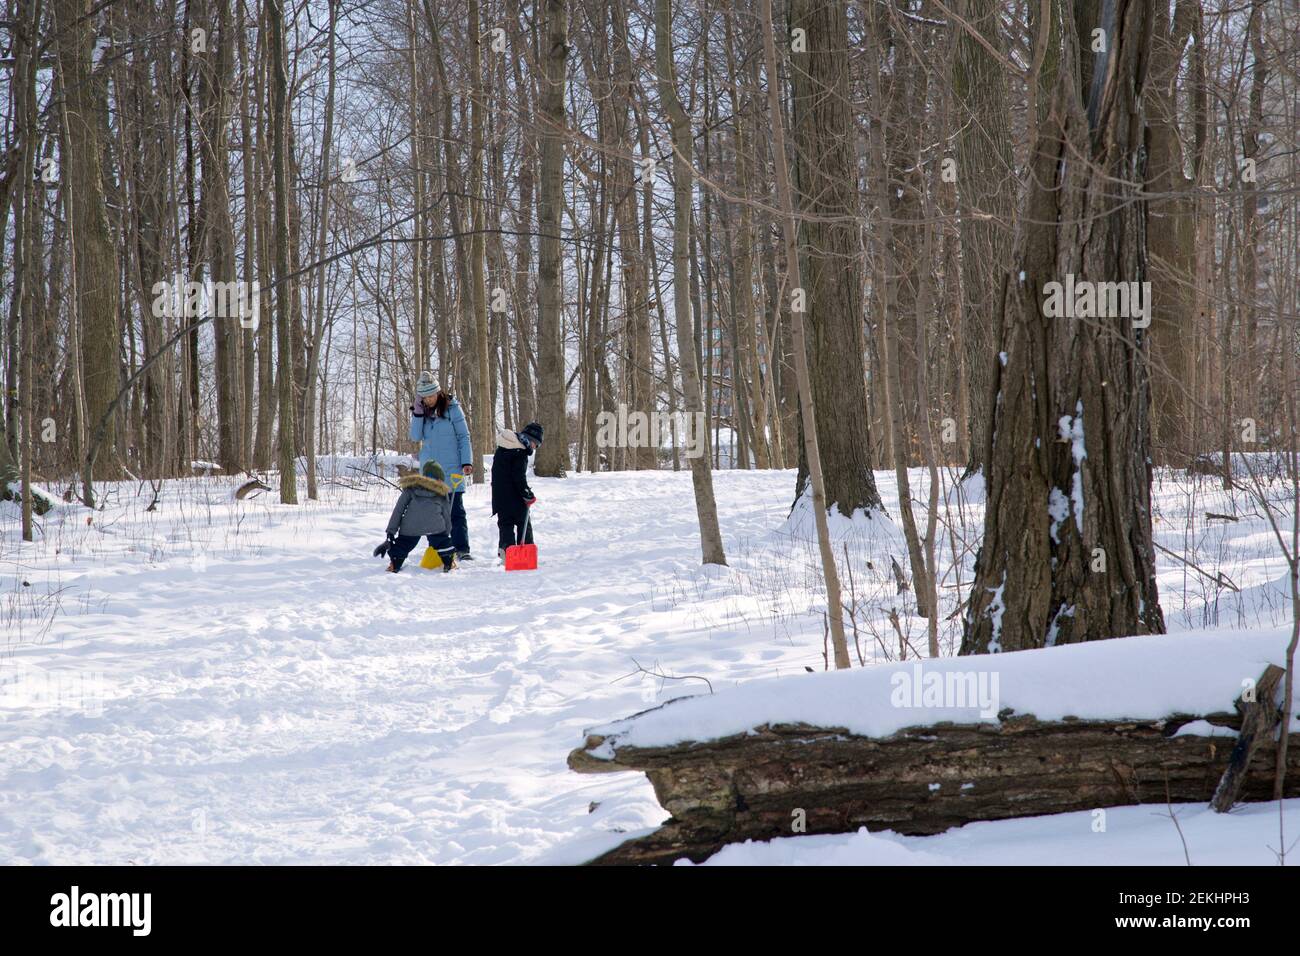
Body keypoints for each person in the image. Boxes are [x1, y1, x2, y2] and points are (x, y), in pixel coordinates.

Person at [409, 371, 475, 560]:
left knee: (455, 513)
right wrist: (417, 414)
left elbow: (464, 436)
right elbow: (415, 437)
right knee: (433, 514)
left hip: (452, 468)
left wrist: (466, 461)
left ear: (438, 392)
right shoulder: (421, 412)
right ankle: (438, 549)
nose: (429, 399)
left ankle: (462, 549)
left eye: (431, 395)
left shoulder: (453, 409)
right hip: (430, 471)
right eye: (425, 396)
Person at [379, 460, 458, 573]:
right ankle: (448, 562)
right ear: (439, 478)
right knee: (442, 542)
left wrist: (391, 530)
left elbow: (398, 510)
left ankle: (395, 563)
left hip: (411, 526)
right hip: (435, 525)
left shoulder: (411, 488)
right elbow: (446, 514)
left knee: (404, 544)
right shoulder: (441, 492)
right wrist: (446, 532)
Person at [491, 422, 543, 559]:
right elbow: (518, 477)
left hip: (500, 496)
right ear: (531, 440)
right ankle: (526, 550)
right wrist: (527, 494)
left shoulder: (503, 448)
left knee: (505, 523)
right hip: (515, 495)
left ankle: (506, 550)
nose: (535, 447)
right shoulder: (520, 452)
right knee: (523, 520)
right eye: (536, 444)